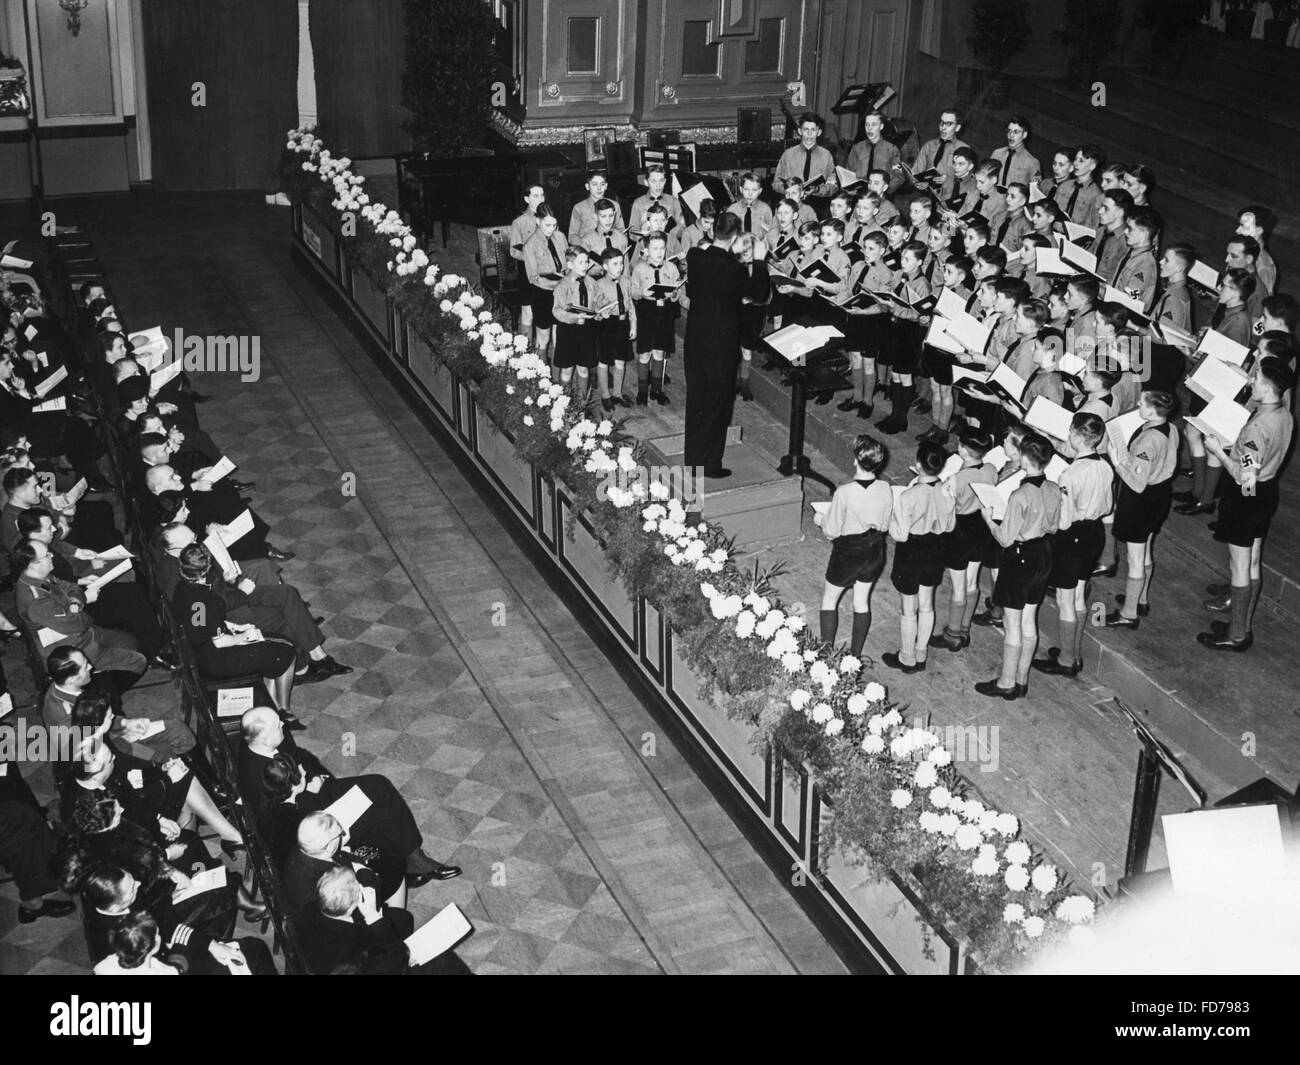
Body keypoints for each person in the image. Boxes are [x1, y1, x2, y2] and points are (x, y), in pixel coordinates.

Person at [237, 707, 461, 882]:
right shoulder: (256, 776)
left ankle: (410, 855)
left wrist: (318, 779)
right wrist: (309, 792)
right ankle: (412, 861)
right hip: (312, 824)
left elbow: (302, 757)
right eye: (278, 725)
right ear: (265, 739)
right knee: (375, 811)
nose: (283, 725)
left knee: (378, 786)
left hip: (311, 792)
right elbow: (289, 821)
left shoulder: (262, 743)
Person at [1197, 363, 1295, 651]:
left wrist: (1218, 451)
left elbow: (1245, 478)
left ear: (1267, 387)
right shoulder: (1284, 415)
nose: (1252, 381)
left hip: (1247, 497)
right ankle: (1242, 625)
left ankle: (1237, 635)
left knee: (1239, 565)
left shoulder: (1256, 427)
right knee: (1252, 561)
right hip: (1267, 492)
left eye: (1256, 378)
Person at [975, 433, 1061, 698]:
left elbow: (1004, 538)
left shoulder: (1020, 494)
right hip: (1043, 554)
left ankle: (1006, 683)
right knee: (1028, 621)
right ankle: (1022, 679)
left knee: (1012, 625)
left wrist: (989, 519)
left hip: (1020, 556)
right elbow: (1055, 526)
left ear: (1024, 458)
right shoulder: (1054, 489)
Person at [682, 212, 768, 478]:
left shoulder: (695, 257)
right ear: (734, 237)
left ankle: (693, 460)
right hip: (721, 344)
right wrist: (759, 260)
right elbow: (760, 293)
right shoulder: (735, 268)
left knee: (696, 399)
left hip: (695, 340)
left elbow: (694, 285)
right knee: (718, 404)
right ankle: (710, 464)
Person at [172, 543, 299, 716]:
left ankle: (273, 703)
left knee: (273, 646)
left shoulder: (182, 590)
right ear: (205, 570)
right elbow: (220, 642)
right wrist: (244, 634)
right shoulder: (207, 599)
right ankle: (284, 710)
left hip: (199, 653)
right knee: (287, 648)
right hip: (218, 661)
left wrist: (234, 626)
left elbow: (203, 624)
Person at [11, 539, 148, 692]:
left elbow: (71, 586)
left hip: (87, 635)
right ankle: (100, 694)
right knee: (140, 662)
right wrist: (83, 600)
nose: (52, 556)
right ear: (33, 564)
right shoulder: (36, 602)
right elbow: (78, 624)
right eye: (47, 555)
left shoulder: (39, 576)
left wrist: (74, 604)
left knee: (132, 642)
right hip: (74, 648)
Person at [1035, 414, 1113, 677]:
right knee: (1079, 595)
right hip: (1094, 533)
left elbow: (1065, 521)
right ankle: (1074, 652)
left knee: (1064, 598)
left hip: (1072, 537)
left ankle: (1066, 660)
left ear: (1076, 436)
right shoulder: (1105, 466)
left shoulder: (1069, 474)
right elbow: (1109, 505)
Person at [300, 866, 471, 975]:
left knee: (402, 919)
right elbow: (396, 959)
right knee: (442, 958)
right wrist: (373, 916)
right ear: (354, 905)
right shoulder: (359, 948)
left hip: (326, 962)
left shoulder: (310, 909)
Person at [1106, 391, 1180, 628]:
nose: (1138, 404)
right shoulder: (1171, 429)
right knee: (1146, 548)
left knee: (1135, 557)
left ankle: (1128, 614)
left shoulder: (1149, 440)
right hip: (1159, 495)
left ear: (1151, 411)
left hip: (1140, 500)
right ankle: (1141, 599)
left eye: (1142, 404)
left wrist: (1117, 462)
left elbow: (1136, 483)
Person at [882, 441, 955, 673]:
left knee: (908, 607)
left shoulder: (908, 495)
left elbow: (901, 535)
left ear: (917, 465)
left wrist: (889, 523)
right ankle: (921, 651)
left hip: (911, 551)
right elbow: (950, 525)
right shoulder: (946, 491)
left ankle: (907, 656)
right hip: (936, 549)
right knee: (927, 604)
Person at [818, 435, 892, 654]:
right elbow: (886, 523)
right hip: (875, 552)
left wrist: (821, 519)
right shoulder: (886, 488)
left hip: (847, 554)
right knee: (861, 602)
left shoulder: (844, 492)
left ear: (856, 460)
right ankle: (855, 656)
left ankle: (826, 653)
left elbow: (831, 531)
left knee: (829, 600)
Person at [931, 427, 999, 651]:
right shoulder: (990, 469)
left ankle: (952, 634)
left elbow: (944, 508)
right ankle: (965, 629)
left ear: (963, 450)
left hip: (960, 530)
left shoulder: (956, 479)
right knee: (972, 582)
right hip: (981, 526)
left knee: (958, 586)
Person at [837, 230, 895, 418]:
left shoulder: (886, 273)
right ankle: (856, 396)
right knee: (855, 359)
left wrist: (862, 311)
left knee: (869, 363)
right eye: (865, 247)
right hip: (855, 317)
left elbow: (884, 307)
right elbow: (849, 288)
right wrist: (843, 301)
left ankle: (868, 401)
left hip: (872, 321)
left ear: (882, 250)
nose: (866, 252)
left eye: (871, 249)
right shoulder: (858, 265)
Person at [629, 231, 682, 406]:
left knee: (659, 351)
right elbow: (633, 292)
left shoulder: (671, 268)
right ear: (647, 249)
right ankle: (642, 391)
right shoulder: (639, 268)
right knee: (645, 353)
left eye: (662, 248)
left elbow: (677, 293)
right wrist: (641, 293)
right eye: (654, 248)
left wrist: (674, 294)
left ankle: (656, 390)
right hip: (646, 311)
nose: (659, 252)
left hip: (664, 312)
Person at [520, 205, 567, 371]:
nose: (551, 229)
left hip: (561, 294)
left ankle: (556, 376)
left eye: (554, 225)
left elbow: (567, 262)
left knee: (559, 337)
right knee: (544, 336)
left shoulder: (560, 237)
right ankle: (542, 373)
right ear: (538, 221)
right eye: (547, 225)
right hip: (542, 294)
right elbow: (533, 278)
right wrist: (553, 282)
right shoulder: (530, 245)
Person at [551, 246, 601, 400]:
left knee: (584, 368)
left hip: (587, 331)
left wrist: (599, 313)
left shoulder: (592, 282)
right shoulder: (563, 285)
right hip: (568, 331)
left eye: (586, 262)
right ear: (570, 264)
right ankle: (564, 403)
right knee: (566, 369)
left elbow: (598, 302)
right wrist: (574, 317)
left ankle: (581, 404)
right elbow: (556, 311)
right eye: (581, 262)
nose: (585, 265)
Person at [593, 247, 636, 411]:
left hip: (622, 324)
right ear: (605, 267)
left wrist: (633, 325)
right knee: (604, 360)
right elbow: (595, 308)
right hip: (607, 325)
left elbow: (630, 305)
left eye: (621, 263)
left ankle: (617, 393)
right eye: (615, 264)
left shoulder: (626, 281)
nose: (620, 267)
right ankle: (605, 395)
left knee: (620, 360)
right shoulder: (599, 284)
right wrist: (601, 313)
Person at [732, 233, 771, 402]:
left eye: (750, 249)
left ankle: (745, 384)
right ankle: (733, 383)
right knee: (734, 350)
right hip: (736, 313)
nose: (747, 252)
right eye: (744, 249)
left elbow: (765, 295)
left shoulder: (760, 268)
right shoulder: (735, 267)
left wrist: (753, 299)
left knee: (747, 350)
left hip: (752, 315)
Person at [509, 184, 546, 340]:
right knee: (528, 313)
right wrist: (532, 258)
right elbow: (514, 251)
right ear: (526, 199)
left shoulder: (549, 218)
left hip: (546, 273)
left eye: (542, 195)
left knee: (543, 312)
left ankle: (541, 353)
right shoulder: (520, 222)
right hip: (527, 273)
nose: (540, 199)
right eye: (535, 196)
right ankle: (526, 351)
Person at [912, 108, 970, 199]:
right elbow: (916, 172)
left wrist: (948, 180)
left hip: (949, 198)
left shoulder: (964, 149)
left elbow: (969, 180)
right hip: (926, 197)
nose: (943, 128)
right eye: (942, 123)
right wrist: (918, 183)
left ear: (958, 127)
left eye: (948, 124)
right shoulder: (929, 145)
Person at [774, 113, 838, 196]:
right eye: (806, 129)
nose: (809, 134)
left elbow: (833, 185)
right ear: (800, 131)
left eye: (813, 130)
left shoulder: (827, 155)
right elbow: (776, 183)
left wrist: (818, 189)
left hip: (817, 201)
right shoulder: (788, 154)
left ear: (819, 132)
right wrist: (791, 190)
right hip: (792, 200)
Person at [847, 111, 902, 193]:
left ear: (881, 126)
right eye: (867, 124)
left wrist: (885, 191)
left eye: (873, 124)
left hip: (882, 194)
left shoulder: (892, 149)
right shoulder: (857, 148)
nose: (869, 128)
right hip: (860, 193)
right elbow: (848, 171)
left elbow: (899, 177)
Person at [990, 115, 1042, 188]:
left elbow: (1036, 190)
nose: (1011, 135)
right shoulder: (996, 154)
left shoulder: (1033, 162)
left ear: (1024, 135)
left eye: (1016, 132)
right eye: (1009, 131)